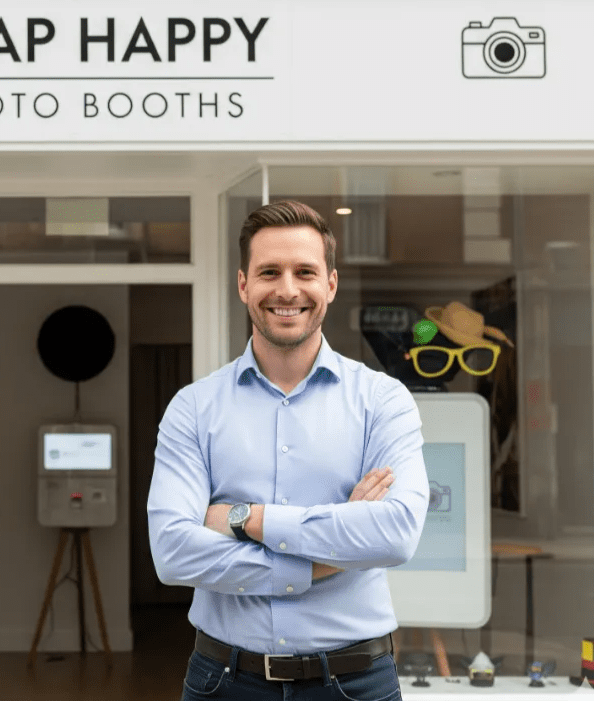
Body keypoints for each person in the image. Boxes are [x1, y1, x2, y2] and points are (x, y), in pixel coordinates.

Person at [147, 200, 429, 701]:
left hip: (355, 683)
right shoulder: (193, 408)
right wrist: (329, 554)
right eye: (269, 272)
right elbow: (172, 552)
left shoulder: (383, 401)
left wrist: (246, 518)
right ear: (243, 285)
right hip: (224, 682)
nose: (287, 290)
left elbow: (395, 533)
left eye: (305, 272)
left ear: (331, 285)